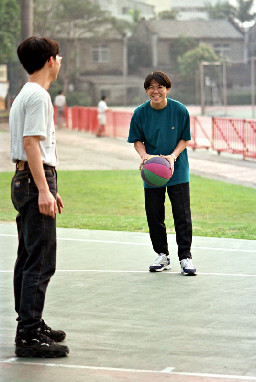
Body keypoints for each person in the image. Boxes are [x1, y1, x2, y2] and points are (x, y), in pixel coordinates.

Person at [9, 36, 69, 357]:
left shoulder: (26, 94)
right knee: (41, 260)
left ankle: (30, 321)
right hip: (34, 180)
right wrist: (44, 189)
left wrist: (50, 188)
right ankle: (29, 334)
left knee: (29, 255)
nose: (60, 62)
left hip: (27, 179)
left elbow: (35, 146)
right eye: (58, 57)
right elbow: (32, 143)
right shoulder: (39, 96)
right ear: (49, 60)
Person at [128, 71, 196, 276]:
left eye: (159, 87)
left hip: (177, 169)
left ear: (167, 89)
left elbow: (184, 139)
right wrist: (145, 156)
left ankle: (185, 257)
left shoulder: (180, 110)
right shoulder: (140, 113)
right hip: (152, 171)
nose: (155, 91)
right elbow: (136, 140)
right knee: (154, 215)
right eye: (151, 87)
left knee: (182, 215)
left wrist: (173, 157)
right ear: (146, 90)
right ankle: (162, 255)